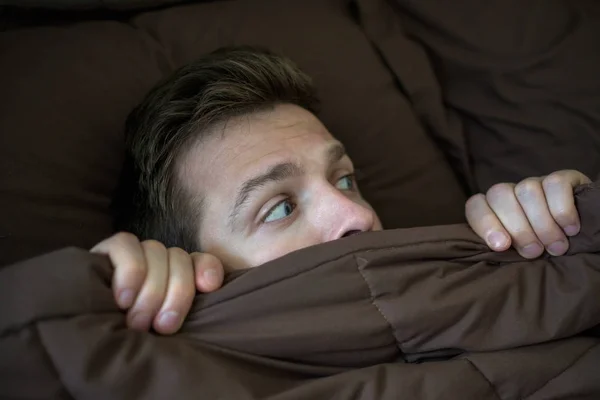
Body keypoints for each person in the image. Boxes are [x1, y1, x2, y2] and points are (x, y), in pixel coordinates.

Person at [91, 46, 591, 335]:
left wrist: (577, 231)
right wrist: (90, 303)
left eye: (345, 179)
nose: (355, 215)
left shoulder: (492, 276)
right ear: (195, 268)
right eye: (280, 206)